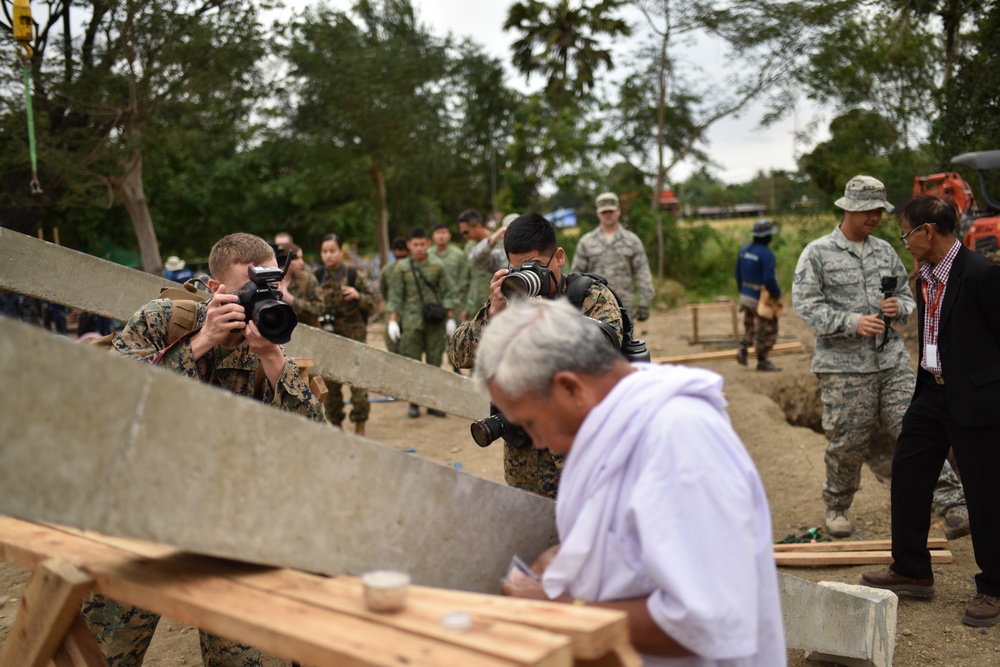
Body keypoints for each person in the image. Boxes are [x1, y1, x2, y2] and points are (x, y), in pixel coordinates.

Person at [477, 299, 786, 666]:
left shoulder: (679, 439)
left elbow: (704, 619)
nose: (538, 442)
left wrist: (560, 610)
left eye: (531, 423)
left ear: (571, 389)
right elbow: (638, 538)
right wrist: (575, 556)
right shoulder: (614, 427)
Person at [82, 232, 324, 667]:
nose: (261, 301)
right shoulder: (162, 318)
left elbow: (311, 443)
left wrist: (273, 359)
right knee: (106, 652)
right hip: (143, 514)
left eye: (270, 287)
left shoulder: (267, 336)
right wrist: (202, 341)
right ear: (215, 289)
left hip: (225, 523)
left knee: (240, 658)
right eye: (249, 290)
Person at [792, 175, 968, 539]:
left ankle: (953, 503)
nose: (874, 217)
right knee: (848, 441)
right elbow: (806, 306)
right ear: (848, 209)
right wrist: (851, 322)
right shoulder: (817, 253)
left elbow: (908, 298)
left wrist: (898, 307)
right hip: (843, 370)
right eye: (867, 211)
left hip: (890, 363)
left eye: (878, 211)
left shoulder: (886, 251)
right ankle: (838, 504)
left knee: (917, 429)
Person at [861, 195, 1000, 627]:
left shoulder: (981, 274)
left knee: (985, 492)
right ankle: (912, 569)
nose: (903, 241)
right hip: (931, 392)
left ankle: (994, 587)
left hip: (976, 400)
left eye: (906, 233)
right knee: (908, 472)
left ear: (928, 231)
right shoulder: (923, 276)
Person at [448, 213, 622, 498]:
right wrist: (494, 317)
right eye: (517, 269)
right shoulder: (510, 297)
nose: (529, 277)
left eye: (537, 267)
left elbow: (600, 357)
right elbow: (459, 355)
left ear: (559, 257)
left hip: (580, 464)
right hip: (524, 467)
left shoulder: (590, 297)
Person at [386, 227, 456, 418]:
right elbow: (396, 296)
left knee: (434, 364)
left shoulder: (437, 265)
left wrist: (451, 317)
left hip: (434, 321)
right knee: (413, 364)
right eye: (415, 245)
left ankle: (432, 403)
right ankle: (414, 402)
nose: (418, 248)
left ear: (428, 244)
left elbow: (448, 291)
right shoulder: (402, 268)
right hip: (411, 322)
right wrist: (393, 321)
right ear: (409, 245)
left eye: (422, 244)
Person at [316, 233, 375, 434]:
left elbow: (373, 301)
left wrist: (358, 295)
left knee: (358, 383)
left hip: (353, 337)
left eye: (332, 251)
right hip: (328, 338)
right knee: (331, 387)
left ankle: (360, 425)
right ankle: (336, 425)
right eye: (324, 251)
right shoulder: (317, 277)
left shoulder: (352, 274)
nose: (328, 256)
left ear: (341, 251)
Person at [571, 192, 655, 321]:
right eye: (604, 212)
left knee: (625, 341)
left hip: (624, 306)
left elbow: (642, 272)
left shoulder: (632, 241)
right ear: (598, 213)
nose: (608, 215)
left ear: (618, 211)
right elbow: (576, 276)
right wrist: (574, 303)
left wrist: (644, 302)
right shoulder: (586, 242)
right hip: (594, 307)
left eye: (611, 211)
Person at [735, 219, 782, 371]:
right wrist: (776, 294)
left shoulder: (744, 250)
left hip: (745, 294)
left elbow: (737, 273)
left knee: (749, 324)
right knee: (766, 328)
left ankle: (743, 350)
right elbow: (769, 278)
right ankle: (762, 360)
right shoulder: (767, 254)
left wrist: (742, 291)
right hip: (759, 298)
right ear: (766, 237)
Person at [459, 209, 509, 321]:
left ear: (477, 226)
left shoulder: (502, 242)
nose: (464, 236)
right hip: (474, 304)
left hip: (496, 302)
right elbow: (465, 278)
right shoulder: (469, 247)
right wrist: (463, 307)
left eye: (466, 232)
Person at [277, 242, 323, 328]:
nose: (301, 262)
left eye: (301, 258)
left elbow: (319, 309)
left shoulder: (306, 279)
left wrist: (291, 300)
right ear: (285, 260)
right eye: (297, 258)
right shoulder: (269, 281)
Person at [378, 237, 409, 354]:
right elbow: (383, 290)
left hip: (409, 312)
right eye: (398, 257)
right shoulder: (387, 270)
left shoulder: (412, 269)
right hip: (392, 311)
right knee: (392, 346)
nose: (400, 261)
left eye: (403, 257)